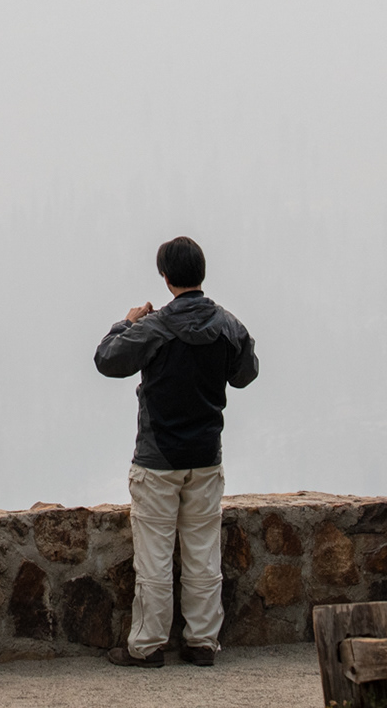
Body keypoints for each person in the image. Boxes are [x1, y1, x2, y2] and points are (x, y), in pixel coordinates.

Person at [94, 236, 259, 668]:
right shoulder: (228, 325)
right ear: (200, 273)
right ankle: (202, 641)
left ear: (165, 277)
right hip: (206, 454)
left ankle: (148, 646)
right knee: (204, 553)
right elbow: (245, 374)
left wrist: (125, 324)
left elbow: (107, 360)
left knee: (154, 557)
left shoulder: (155, 327)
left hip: (157, 458)